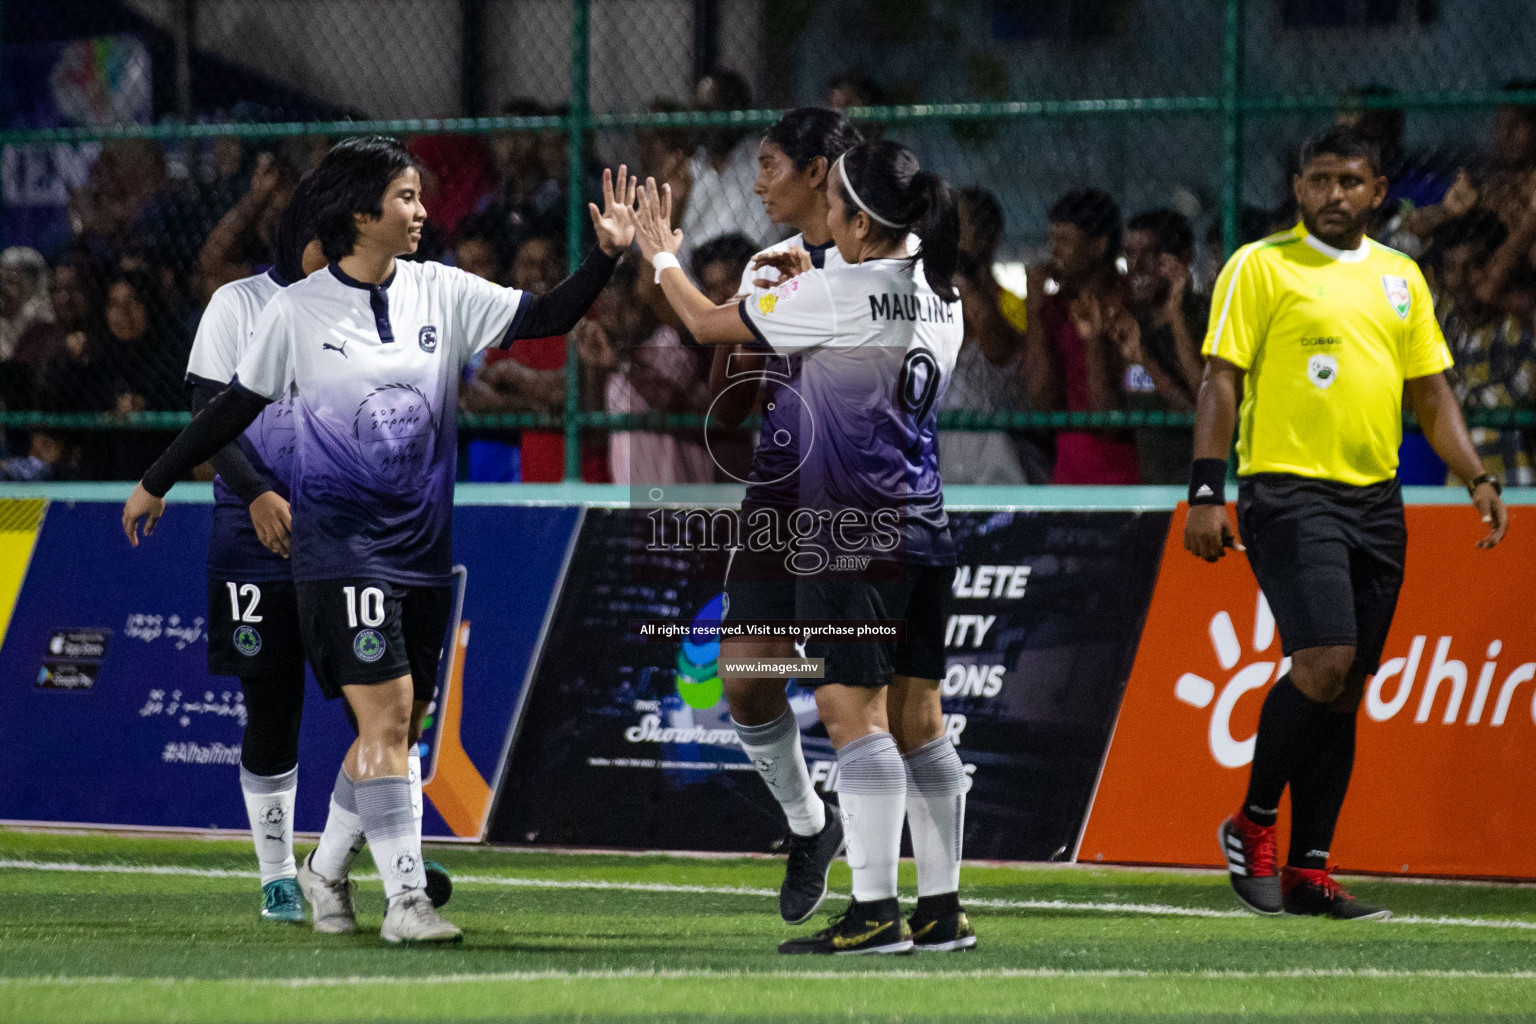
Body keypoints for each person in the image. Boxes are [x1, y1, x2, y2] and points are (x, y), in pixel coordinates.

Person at [121, 136, 638, 943]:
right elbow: (229, 408)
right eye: (406, 197)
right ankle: (406, 901)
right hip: (338, 549)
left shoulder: (443, 290)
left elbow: (548, 317)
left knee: (395, 729)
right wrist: (157, 478)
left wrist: (607, 257)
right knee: (389, 716)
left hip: (424, 554)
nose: (424, 211)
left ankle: (324, 871)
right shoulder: (291, 311)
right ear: (362, 214)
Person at [633, 136, 973, 955]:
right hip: (923, 521)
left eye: (832, 211)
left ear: (857, 223)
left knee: (851, 715)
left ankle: (873, 913)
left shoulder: (843, 290)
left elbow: (708, 322)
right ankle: (940, 909)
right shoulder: (941, 288)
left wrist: (660, 258)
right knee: (922, 719)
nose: (822, 220)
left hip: (849, 529)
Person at [1188, 126, 1509, 921]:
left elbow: (1432, 393)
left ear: (1378, 191)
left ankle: (1310, 870)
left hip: (1377, 500)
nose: (1333, 193)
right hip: (1287, 492)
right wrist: (1204, 491)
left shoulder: (1402, 278)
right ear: (1298, 190)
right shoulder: (1259, 266)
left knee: (1346, 691)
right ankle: (1252, 821)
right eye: (1319, 180)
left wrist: (1477, 475)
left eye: (1349, 181)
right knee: (1324, 660)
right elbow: (1219, 380)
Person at [703, 109, 860, 927]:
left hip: (858, 501)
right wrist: (748, 321)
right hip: (777, 489)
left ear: (818, 171)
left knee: (868, 704)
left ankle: (909, 898)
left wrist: (662, 256)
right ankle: (811, 824)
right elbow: (725, 410)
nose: (758, 182)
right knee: (745, 680)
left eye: (769, 165)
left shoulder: (870, 265)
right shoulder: (775, 266)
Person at [1026, 188, 1140, 484]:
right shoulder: (1054, 306)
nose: (1054, 251)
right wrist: (1035, 309)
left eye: (1064, 241)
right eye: (1053, 240)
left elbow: (1110, 416)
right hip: (1070, 464)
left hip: (1126, 462)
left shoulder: (1131, 300)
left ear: (1099, 245)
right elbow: (1041, 401)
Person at [940, 186, 1038, 485]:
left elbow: (1004, 357)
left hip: (998, 468)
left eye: (956, 225)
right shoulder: (924, 303)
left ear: (989, 238)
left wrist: (967, 287)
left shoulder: (1011, 309)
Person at [1121, 209, 1208, 484]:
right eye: (1130, 254)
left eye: (1150, 255)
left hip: (1198, 481)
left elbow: (1201, 406)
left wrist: (1175, 314)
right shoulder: (1133, 322)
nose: (1136, 266)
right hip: (1150, 483)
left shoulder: (1205, 316)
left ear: (1183, 260)